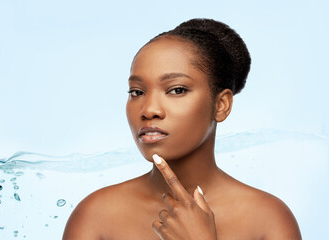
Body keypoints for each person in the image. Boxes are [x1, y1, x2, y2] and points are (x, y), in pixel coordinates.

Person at [63, 18, 302, 240]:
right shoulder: (96, 215)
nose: (149, 110)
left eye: (176, 90)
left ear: (221, 105)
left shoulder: (267, 220)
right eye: (137, 92)